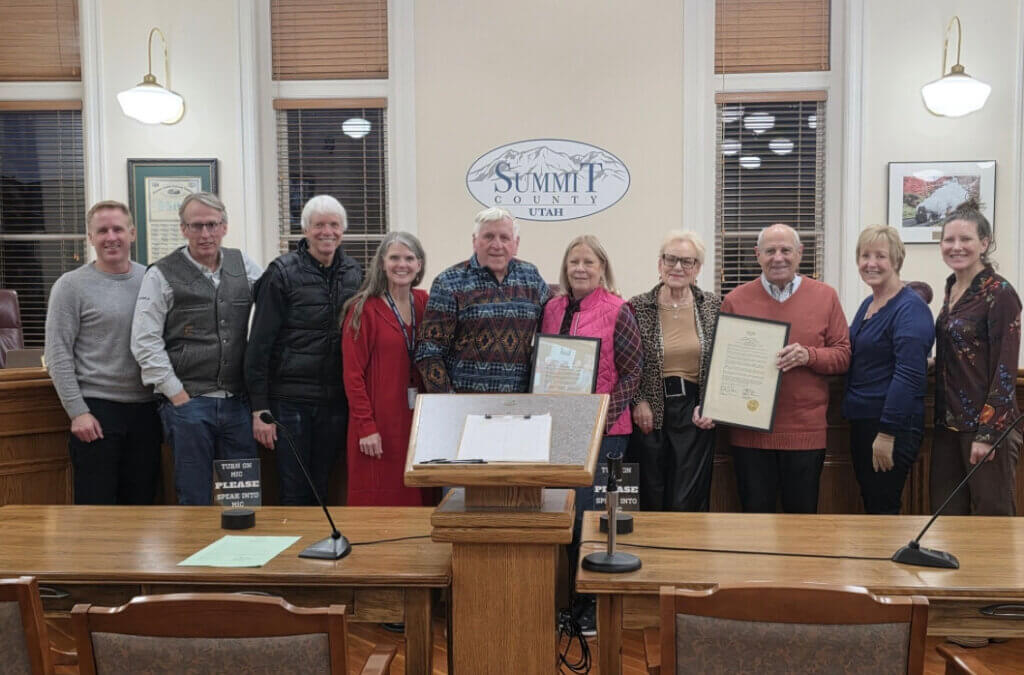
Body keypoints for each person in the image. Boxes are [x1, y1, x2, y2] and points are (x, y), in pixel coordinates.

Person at [131, 192, 263, 505]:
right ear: (183, 229)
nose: (205, 234)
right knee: (194, 498)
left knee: (243, 498)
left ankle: (243, 554)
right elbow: (144, 339)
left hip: (237, 403)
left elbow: (275, 305)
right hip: (188, 405)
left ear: (225, 227)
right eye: (196, 226)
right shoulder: (161, 273)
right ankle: (197, 554)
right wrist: (176, 393)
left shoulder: (242, 263)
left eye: (212, 225)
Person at [540, 235, 643, 632]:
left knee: (596, 520)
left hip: (607, 432)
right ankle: (572, 604)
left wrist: (601, 416)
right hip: (562, 429)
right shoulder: (551, 309)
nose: (580, 268)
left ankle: (594, 610)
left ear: (603, 268)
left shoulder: (620, 310)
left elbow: (633, 373)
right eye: (573, 262)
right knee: (565, 517)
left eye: (589, 262)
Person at [721, 223, 850, 513]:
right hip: (749, 434)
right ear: (757, 255)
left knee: (801, 525)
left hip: (805, 433)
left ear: (800, 254)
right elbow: (722, 365)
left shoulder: (826, 296)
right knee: (753, 526)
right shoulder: (734, 300)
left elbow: (843, 356)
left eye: (785, 250)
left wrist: (809, 356)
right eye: (770, 251)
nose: (778, 257)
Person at [245, 195, 362, 505]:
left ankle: (322, 549)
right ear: (306, 230)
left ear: (343, 230)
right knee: (294, 488)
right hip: (289, 401)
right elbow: (259, 345)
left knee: (324, 484)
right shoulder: (281, 273)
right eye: (319, 225)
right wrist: (260, 408)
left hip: (335, 402)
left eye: (334, 225)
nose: (327, 232)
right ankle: (295, 550)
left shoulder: (354, 273)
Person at [44, 200, 162, 505]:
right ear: (91, 238)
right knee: (96, 512)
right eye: (102, 230)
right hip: (96, 413)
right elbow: (57, 354)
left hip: (147, 411)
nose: (111, 237)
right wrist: (78, 411)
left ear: (132, 233)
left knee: (142, 509)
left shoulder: (152, 279)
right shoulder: (70, 286)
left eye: (118, 229)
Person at [932, 199, 1021, 517]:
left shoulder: (1000, 293)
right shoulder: (951, 287)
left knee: (992, 519)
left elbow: (1005, 369)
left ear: (984, 243)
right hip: (947, 425)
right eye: (949, 240)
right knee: (946, 519)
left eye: (965, 239)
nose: (956, 247)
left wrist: (989, 435)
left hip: (984, 429)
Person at [842, 226, 934, 514]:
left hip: (889, 426)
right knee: (872, 504)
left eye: (880, 256)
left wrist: (887, 433)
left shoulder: (911, 308)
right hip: (863, 421)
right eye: (864, 255)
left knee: (883, 510)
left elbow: (909, 374)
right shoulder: (869, 303)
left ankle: (883, 561)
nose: (871, 263)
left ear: (896, 260)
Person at [627, 230, 721, 512]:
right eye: (671, 259)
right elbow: (627, 360)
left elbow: (724, 360)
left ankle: (686, 555)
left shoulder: (714, 306)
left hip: (695, 411)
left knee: (686, 500)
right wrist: (638, 400)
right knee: (652, 492)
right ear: (660, 264)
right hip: (650, 409)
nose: (677, 267)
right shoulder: (636, 306)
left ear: (697, 269)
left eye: (687, 262)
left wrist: (713, 404)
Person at [415, 207, 549, 393]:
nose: (497, 245)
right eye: (488, 236)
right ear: (475, 241)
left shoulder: (531, 278)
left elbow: (555, 322)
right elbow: (429, 351)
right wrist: (447, 400)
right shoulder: (449, 283)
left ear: (515, 244)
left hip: (519, 406)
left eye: (504, 238)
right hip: (464, 407)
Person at [342, 232, 432, 506]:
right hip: (378, 424)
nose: (401, 264)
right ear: (382, 263)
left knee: (418, 496)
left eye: (409, 258)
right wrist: (366, 427)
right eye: (394, 257)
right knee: (380, 498)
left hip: (417, 421)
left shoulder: (425, 302)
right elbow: (352, 375)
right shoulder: (362, 309)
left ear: (419, 265)